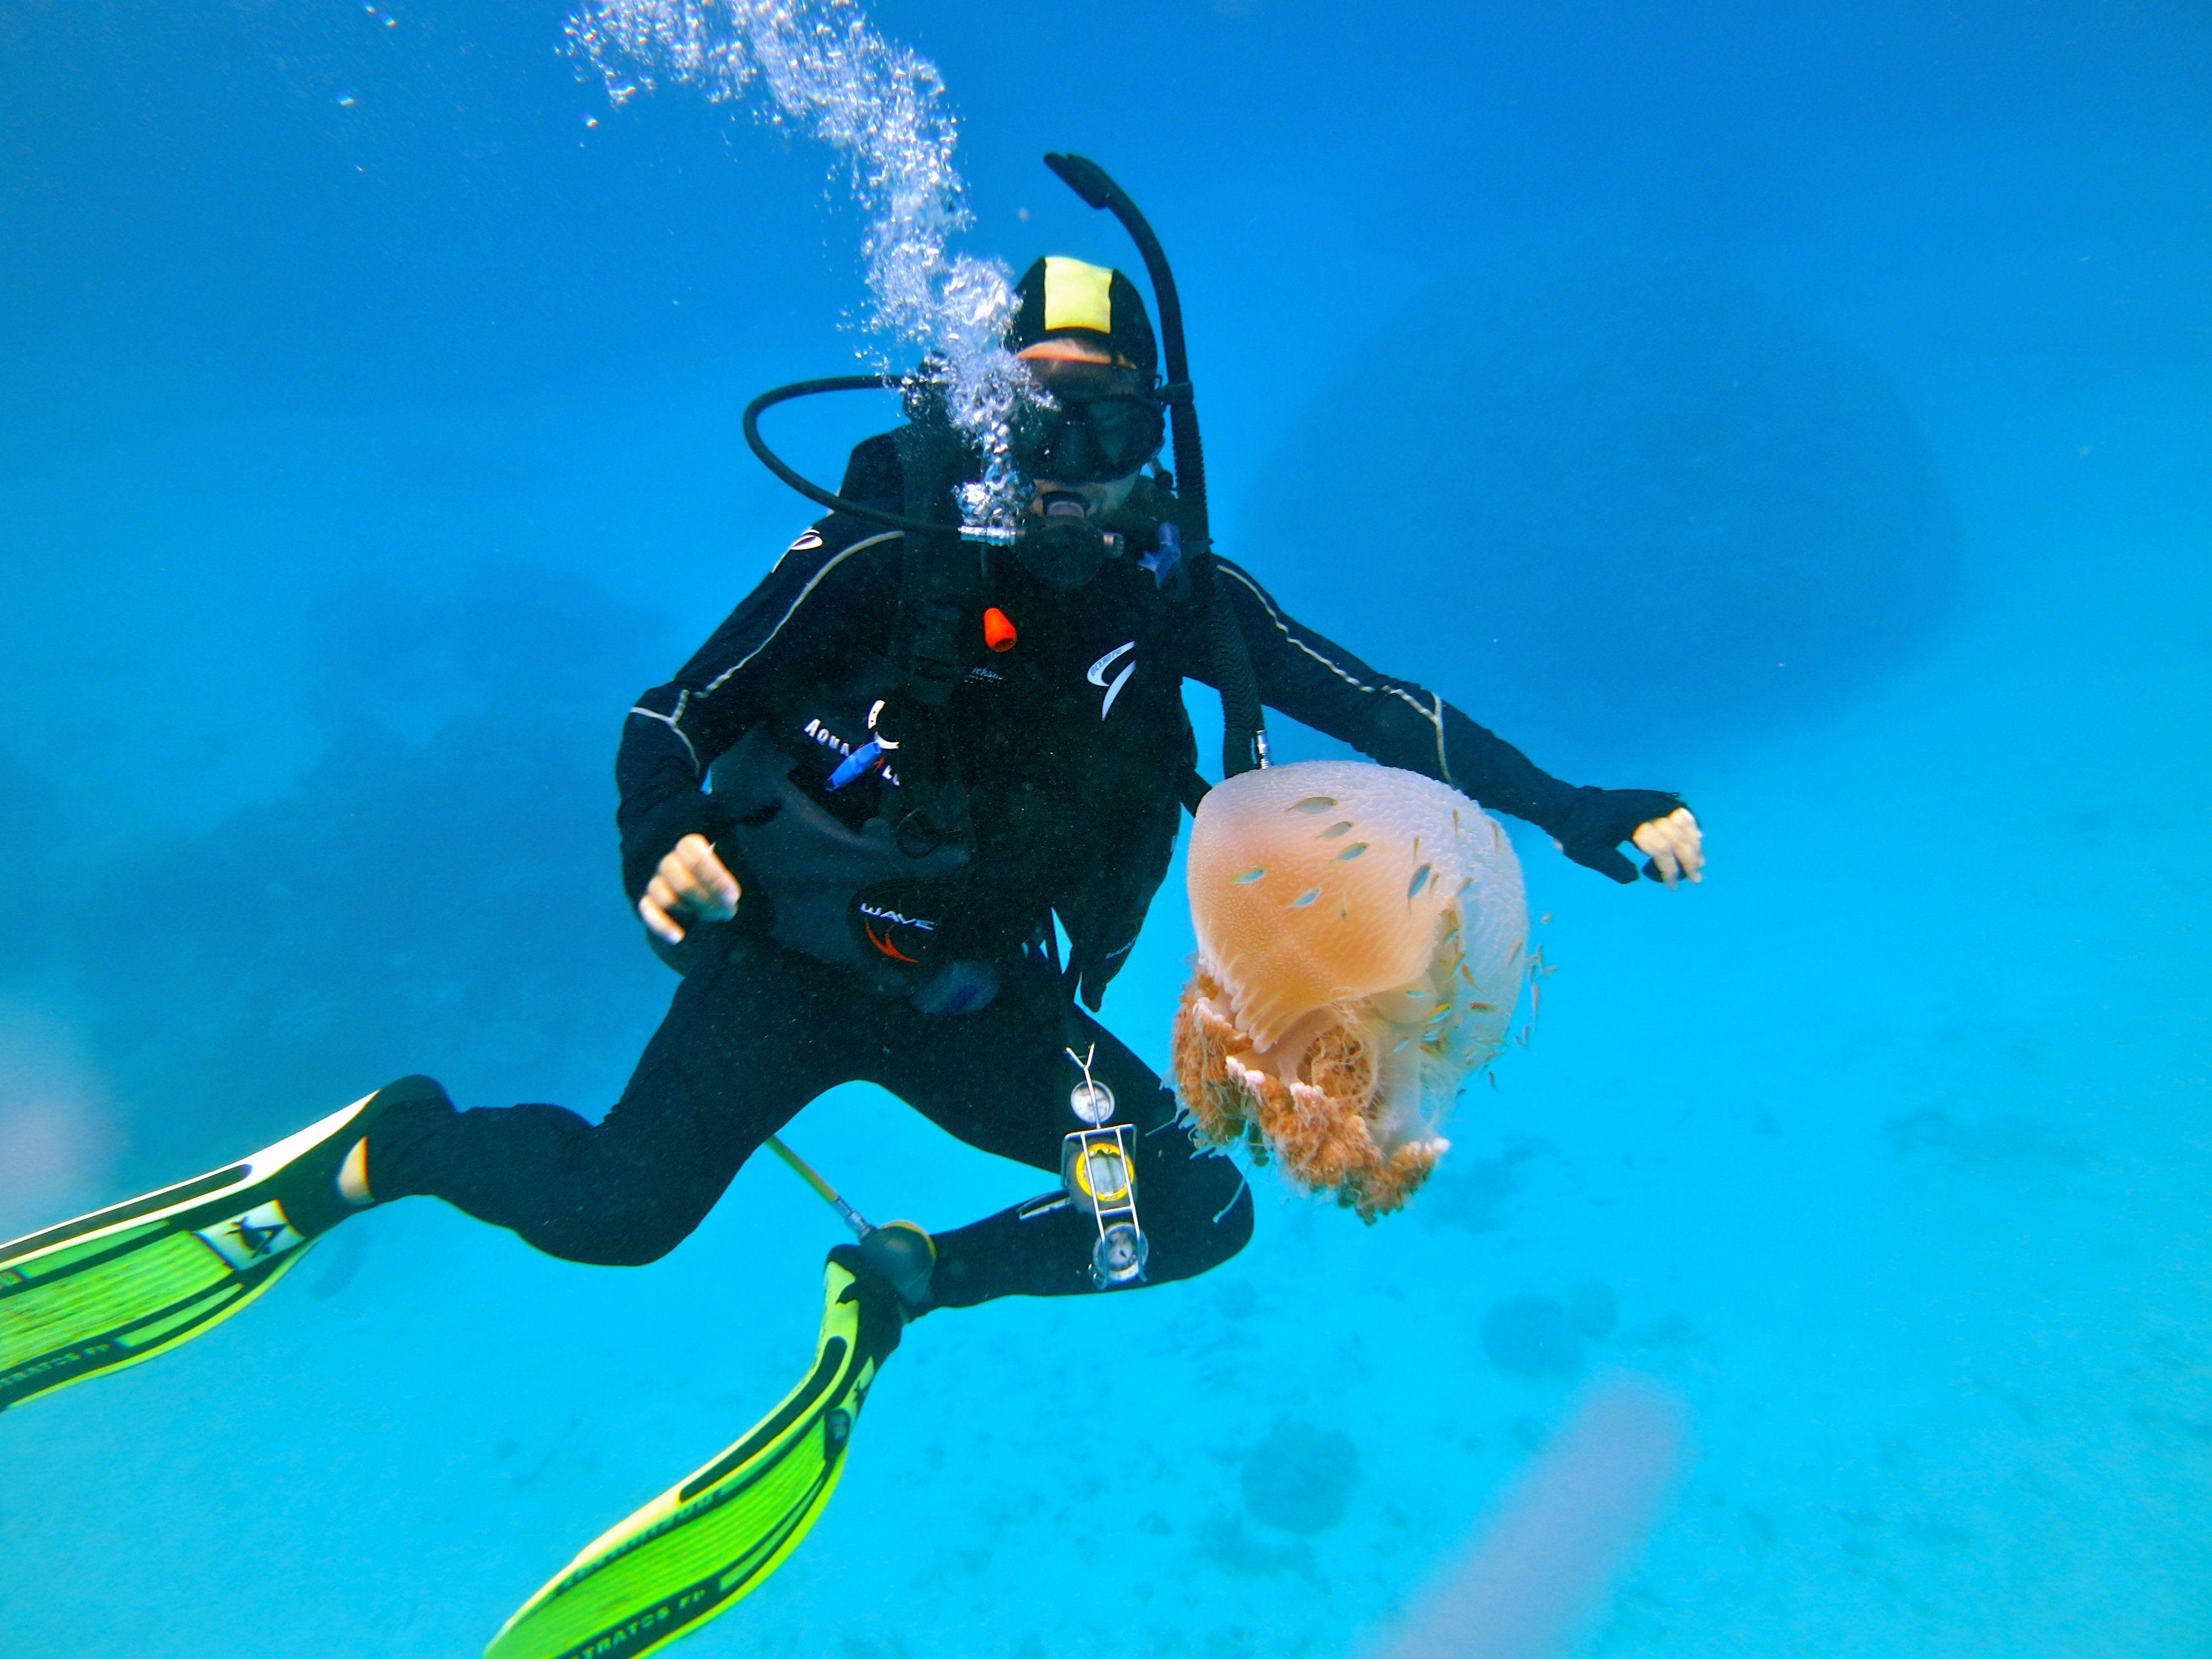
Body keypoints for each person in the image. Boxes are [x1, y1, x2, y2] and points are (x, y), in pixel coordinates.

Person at [2, 254, 1699, 1371]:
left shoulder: (1192, 602)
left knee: (1184, 1210)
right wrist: (652, 834)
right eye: (1027, 422)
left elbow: (1389, 712)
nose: (1062, 466)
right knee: (614, 1218)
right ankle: (396, 1142)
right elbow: (669, 710)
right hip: (795, 971)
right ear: (974, 428)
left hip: (982, 1007)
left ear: (1152, 440)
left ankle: (907, 1280)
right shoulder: (883, 566)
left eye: (1099, 424)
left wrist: (1573, 807)